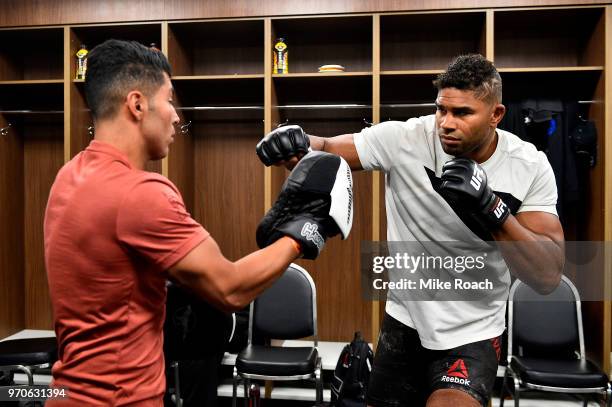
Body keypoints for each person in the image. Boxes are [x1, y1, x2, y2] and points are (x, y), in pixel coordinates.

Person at [43, 39, 351, 406]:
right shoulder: (141, 193)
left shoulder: (69, 176)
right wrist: (302, 232)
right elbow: (230, 289)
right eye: (169, 99)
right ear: (137, 104)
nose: (176, 115)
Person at [255, 54, 565, 407]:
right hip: (404, 319)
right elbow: (327, 148)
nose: (446, 123)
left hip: (474, 331)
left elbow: (547, 275)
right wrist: (295, 142)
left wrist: (492, 209)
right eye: (441, 110)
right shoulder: (406, 138)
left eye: (462, 113)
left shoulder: (529, 165)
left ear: (496, 115)